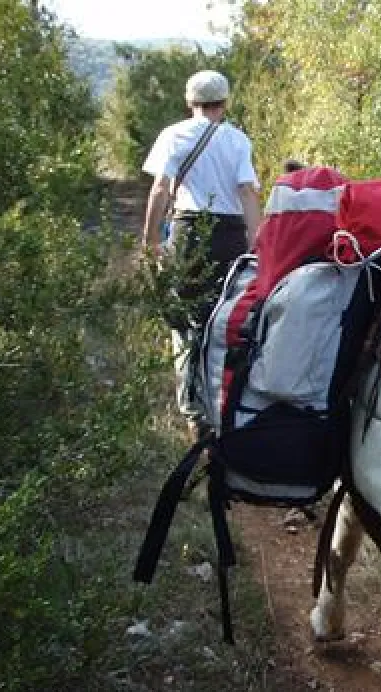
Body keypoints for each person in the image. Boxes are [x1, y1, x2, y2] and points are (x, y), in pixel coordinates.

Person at [141, 69, 262, 437]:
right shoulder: (237, 140)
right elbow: (246, 193)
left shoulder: (172, 135)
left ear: (189, 101)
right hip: (230, 238)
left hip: (188, 233)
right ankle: (225, 403)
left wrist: (149, 241)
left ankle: (194, 411)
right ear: (225, 103)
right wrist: (257, 243)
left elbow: (161, 189)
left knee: (187, 324)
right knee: (225, 322)